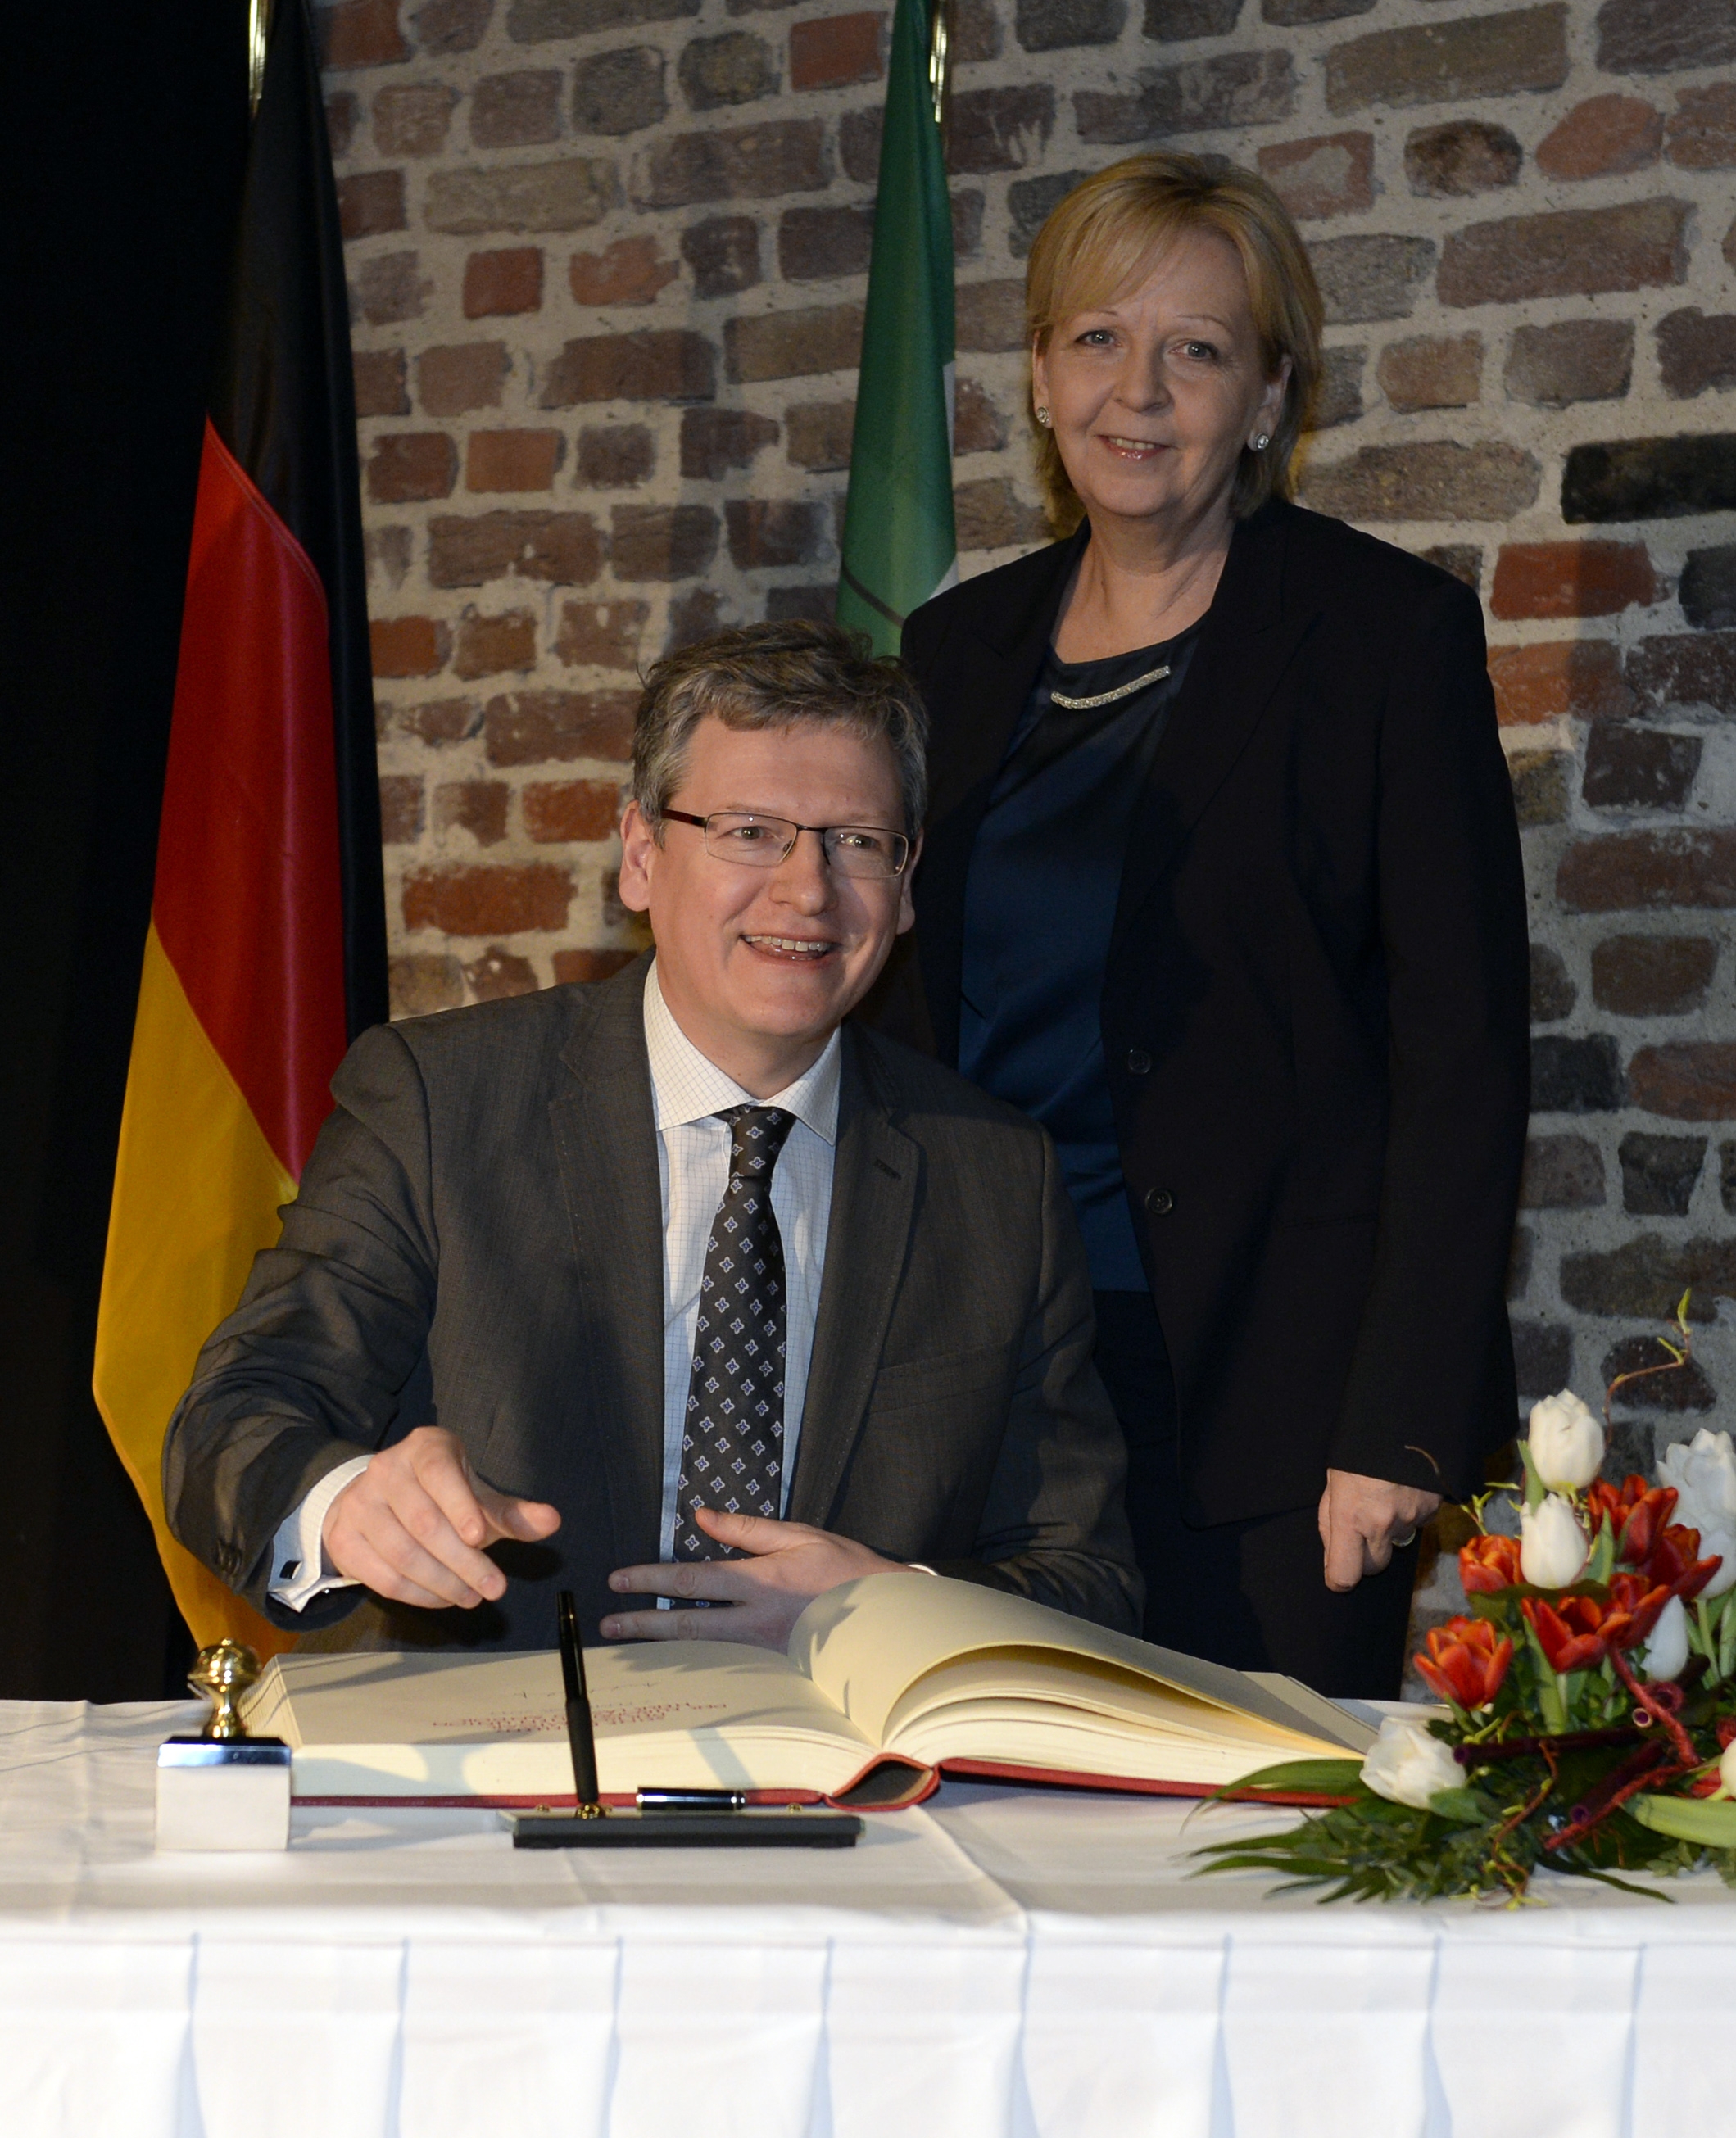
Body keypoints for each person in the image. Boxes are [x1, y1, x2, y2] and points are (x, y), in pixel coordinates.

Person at [163, 622, 1140, 1654]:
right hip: (506, 1734)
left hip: (844, 1750)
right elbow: (234, 1419)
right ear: (640, 855)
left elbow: (1087, 1576)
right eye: (749, 831)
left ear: (905, 886)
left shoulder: (996, 1179)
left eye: (856, 842)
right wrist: (347, 1503)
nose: (807, 889)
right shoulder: (442, 1101)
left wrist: (888, 1606)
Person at [876, 153, 1530, 1695]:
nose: (1139, 390)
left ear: (1265, 394)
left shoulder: (1382, 637)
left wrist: (1397, 1422)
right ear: (1040, 376)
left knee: (1263, 1811)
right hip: (990, 1386)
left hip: (1271, 1409)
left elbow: (1459, 1057)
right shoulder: (950, 651)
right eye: (1097, 338)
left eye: (1195, 348)